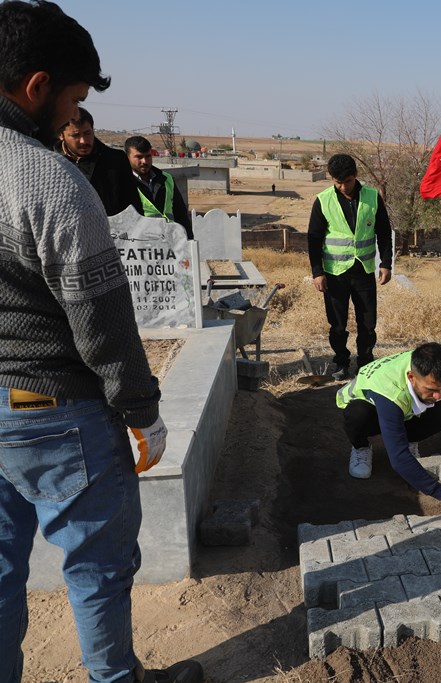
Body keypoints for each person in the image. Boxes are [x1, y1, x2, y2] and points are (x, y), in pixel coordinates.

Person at [0, 2, 202, 682]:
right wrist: (142, 412)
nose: (74, 120)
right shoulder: (47, 181)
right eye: (74, 100)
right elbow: (106, 330)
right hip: (55, 411)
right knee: (95, 563)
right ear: (36, 86)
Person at [337, 342, 441, 504]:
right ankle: (361, 447)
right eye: (432, 390)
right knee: (358, 414)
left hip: (401, 403)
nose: (438, 395)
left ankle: (410, 438)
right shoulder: (390, 392)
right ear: (411, 377)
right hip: (367, 408)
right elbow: (398, 458)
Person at [307, 153, 393, 380]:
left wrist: (385, 263)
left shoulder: (372, 197)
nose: (343, 186)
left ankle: (365, 363)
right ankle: (341, 362)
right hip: (335, 273)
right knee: (337, 324)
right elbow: (313, 239)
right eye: (338, 182)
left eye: (347, 181)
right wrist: (317, 272)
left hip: (363, 270)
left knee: (368, 322)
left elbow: (383, 232)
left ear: (355, 176)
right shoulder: (323, 200)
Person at [55, 106, 142, 217]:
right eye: (75, 135)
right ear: (61, 135)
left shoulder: (115, 160)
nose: (83, 141)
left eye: (87, 133)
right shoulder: (51, 162)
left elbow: (133, 207)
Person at [124, 135, 194, 239]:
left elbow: (180, 214)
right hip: (141, 245)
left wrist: (188, 242)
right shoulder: (122, 182)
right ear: (127, 157)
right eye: (139, 157)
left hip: (169, 242)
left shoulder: (166, 178)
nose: (144, 161)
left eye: (148, 156)